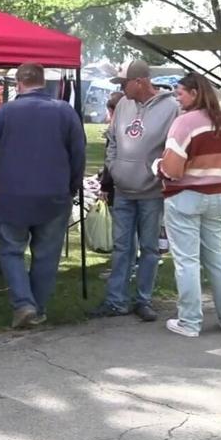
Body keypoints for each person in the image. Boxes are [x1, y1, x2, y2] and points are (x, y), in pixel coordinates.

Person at [0, 63, 86, 328]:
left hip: (14, 194)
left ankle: (24, 304)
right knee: (47, 255)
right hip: (54, 194)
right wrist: (71, 186)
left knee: (11, 251)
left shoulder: (5, 112)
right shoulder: (65, 112)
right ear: (43, 81)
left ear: (19, 83)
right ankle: (37, 308)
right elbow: (78, 154)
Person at [89, 59, 179, 322]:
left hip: (151, 192)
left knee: (149, 248)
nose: (120, 87)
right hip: (124, 189)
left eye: (124, 82)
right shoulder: (124, 105)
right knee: (121, 247)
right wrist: (114, 168)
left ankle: (143, 299)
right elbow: (112, 140)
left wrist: (157, 174)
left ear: (140, 81)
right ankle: (116, 300)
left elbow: (173, 148)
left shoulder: (171, 108)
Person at [154, 73, 221, 338]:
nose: (177, 98)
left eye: (180, 93)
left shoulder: (185, 123)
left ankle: (190, 322)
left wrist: (155, 166)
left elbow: (171, 169)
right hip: (217, 195)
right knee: (217, 258)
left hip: (185, 197)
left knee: (187, 261)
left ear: (194, 93)